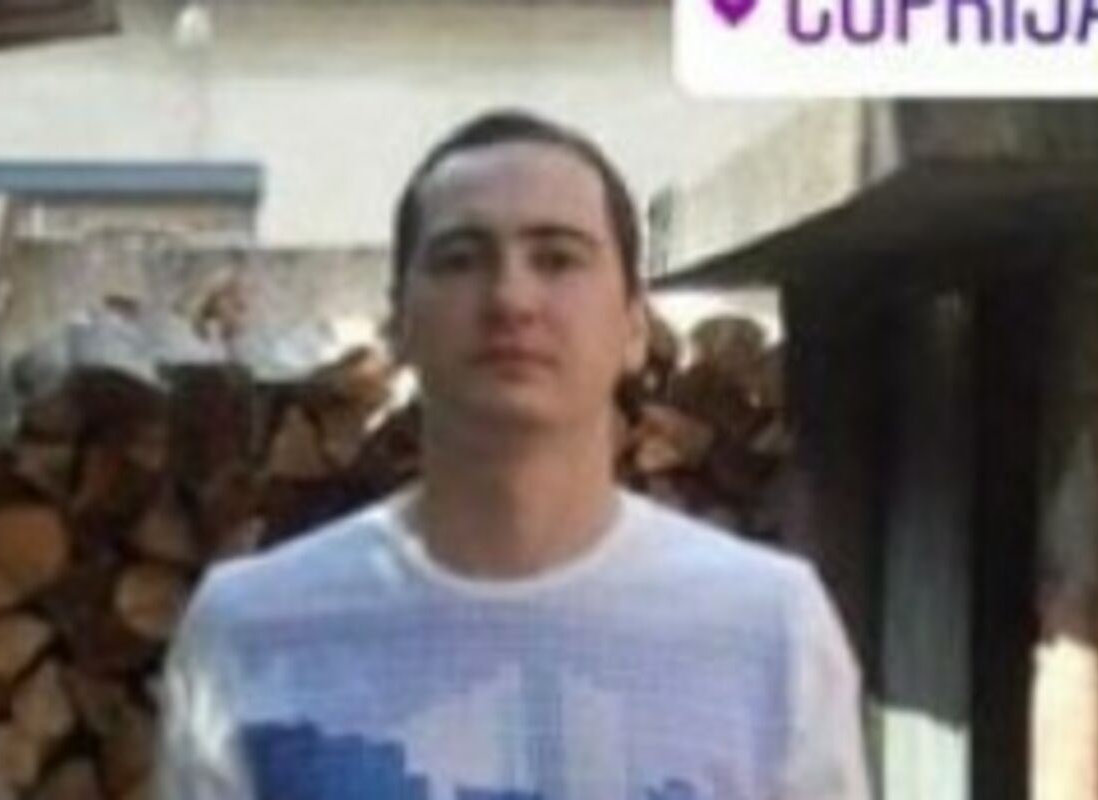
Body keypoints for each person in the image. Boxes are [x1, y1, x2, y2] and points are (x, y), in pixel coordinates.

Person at [155, 110, 870, 800]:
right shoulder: (250, 630)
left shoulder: (769, 627)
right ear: (399, 323)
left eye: (558, 258)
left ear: (633, 325)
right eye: (462, 260)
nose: (511, 298)